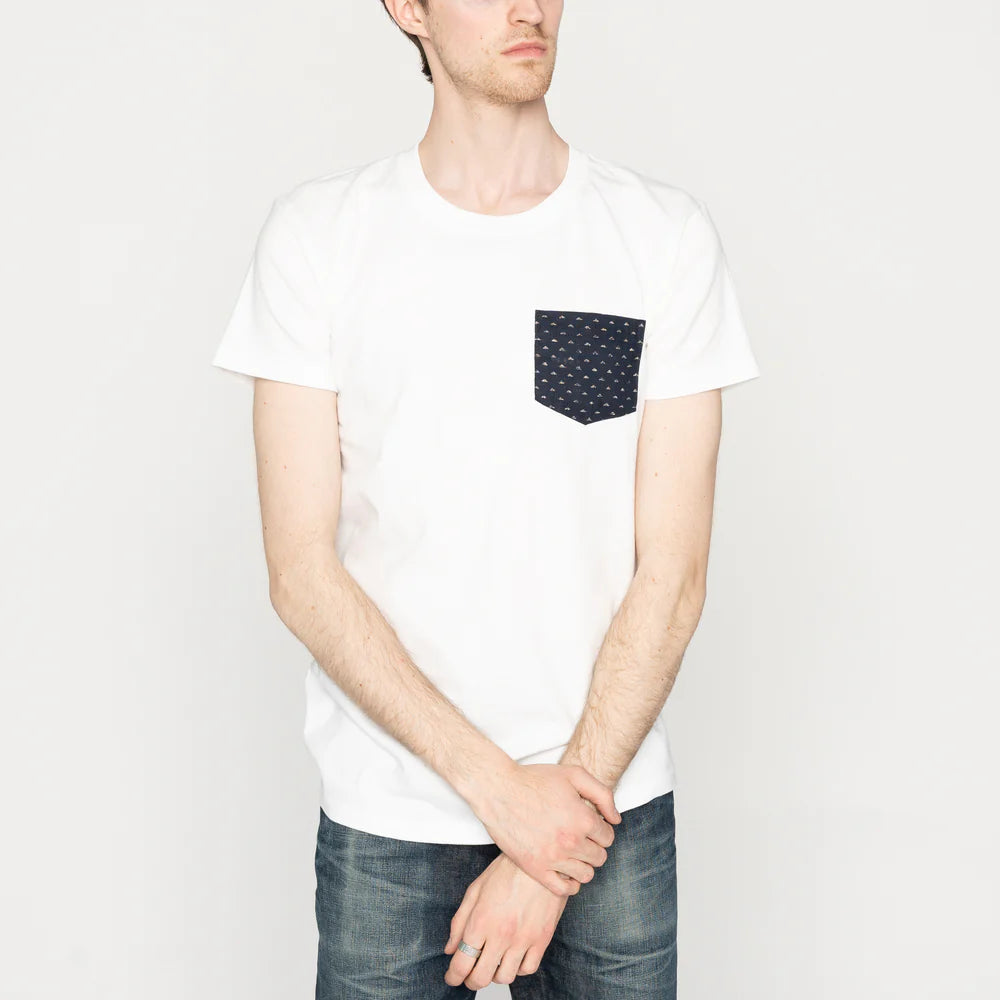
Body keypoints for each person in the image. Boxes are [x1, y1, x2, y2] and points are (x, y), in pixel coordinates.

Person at [211, 1, 760, 996]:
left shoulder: (659, 237)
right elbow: (300, 572)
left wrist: (558, 828)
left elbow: (673, 575)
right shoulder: (319, 238)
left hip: (608, 811)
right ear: (407, 8)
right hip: (391, 817)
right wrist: (505, 796)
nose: (528, 7)